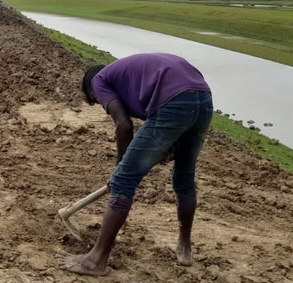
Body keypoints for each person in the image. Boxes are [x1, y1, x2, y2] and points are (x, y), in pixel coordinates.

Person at [58, 53, 213, 276]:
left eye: (95, 101)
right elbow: (170, 115)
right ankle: (185, 248)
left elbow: (123, 124)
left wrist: (120, 169)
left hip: (174, 101)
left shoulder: (99, 80)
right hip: (203, 100)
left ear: (92, 91)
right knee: (184, 177)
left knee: (123, 181)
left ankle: (96, 260)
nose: (101, 104)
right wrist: (169, 148)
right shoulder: (128, 77)